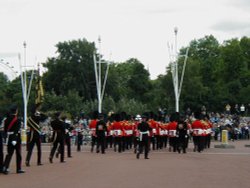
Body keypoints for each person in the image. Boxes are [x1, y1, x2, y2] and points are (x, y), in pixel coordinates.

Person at [2, 105, 25, 174]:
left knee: (9, 154)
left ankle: (5, 167)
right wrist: (14, 139)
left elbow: (5, 130)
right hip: (16, 138)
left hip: (9, 137)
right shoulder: (17, 120)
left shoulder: (6, 120)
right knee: (18, 154)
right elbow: (16, 130)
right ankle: (18, 169)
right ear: (16, 111)